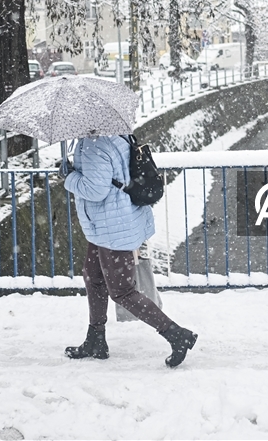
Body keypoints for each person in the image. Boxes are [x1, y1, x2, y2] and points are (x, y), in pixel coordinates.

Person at [63, 135, 197, 367]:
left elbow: (95, 190)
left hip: (112, 226)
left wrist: (69, 177)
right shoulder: (115, 135)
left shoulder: (95, 144)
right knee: (93, 277)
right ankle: (95, 339)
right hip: (112, 221)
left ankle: (176, 335)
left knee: (122, 291)